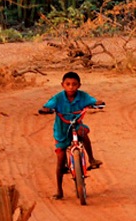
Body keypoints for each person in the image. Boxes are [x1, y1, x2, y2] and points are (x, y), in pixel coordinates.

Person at [39, 71, 104, 200]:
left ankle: (91, 159)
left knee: (83, 133)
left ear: (79, 85)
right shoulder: (58, 98)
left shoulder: (82, 96)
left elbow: (92, 101)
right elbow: (49, 105)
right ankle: (59, 190)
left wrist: (97, 103)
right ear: (62, 85)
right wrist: (46, 109)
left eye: (74, 84)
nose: (71, 87)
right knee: (60, 159)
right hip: (61, 130)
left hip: (76, 125)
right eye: (68, 84)